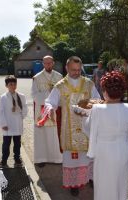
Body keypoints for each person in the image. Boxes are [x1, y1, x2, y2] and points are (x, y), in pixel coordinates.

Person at [45, 56, 100, 196]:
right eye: (73, 70)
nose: (76, 72)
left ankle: (91, 178)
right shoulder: (60, 86)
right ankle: (73, 183)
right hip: (69, 130)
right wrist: (50, 108)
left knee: (90, 156)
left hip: (87, 129)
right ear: (66, 68)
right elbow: (49, 101)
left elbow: (98, 101)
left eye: (78, 70)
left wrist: (95, 106)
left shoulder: (89, 84)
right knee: (72, 158)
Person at [83, 71, 128, 200]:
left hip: (104, 151)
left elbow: (87, 129)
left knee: (104, 184)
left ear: (104, 91)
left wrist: (85, 116)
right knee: (121, 182)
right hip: (123, 149)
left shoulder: (97, 109)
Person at [31, 55, 63, 167]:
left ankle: (57, 158)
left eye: (50, 63)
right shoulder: (37, 77)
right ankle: (41, 158)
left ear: (53, 63)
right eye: (46, 63)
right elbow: (34, 95)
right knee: (42, 135)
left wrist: (55, 100)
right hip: (42, 111)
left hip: (55, 110)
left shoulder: (59, 77)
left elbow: (63, 94)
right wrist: (48, 94)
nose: (48, 65)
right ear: (43, 64)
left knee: (55, 134)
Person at [0, 75, 28, 167]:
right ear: (6, 86)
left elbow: (25, 108)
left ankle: (17, 159)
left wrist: (21, 113)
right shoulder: (3, 97)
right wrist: (3, 123)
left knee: (17, 143)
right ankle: (4, 160)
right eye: (10, 84)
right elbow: (0, 111)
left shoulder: (21, 96)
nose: (13, 86)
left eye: (14, 84)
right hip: (8, 124)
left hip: (17, 123)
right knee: (6, 143)